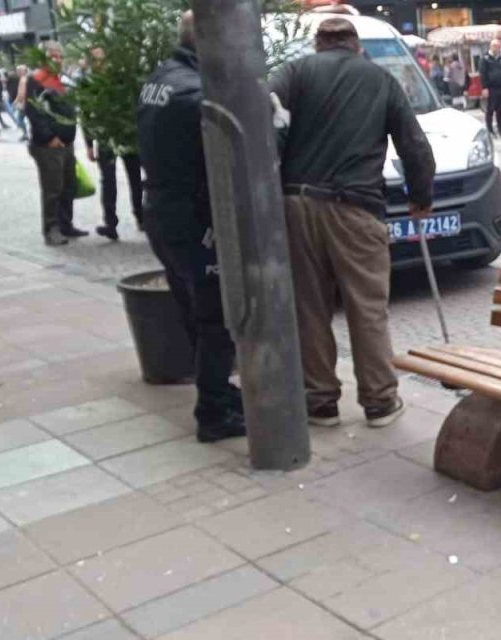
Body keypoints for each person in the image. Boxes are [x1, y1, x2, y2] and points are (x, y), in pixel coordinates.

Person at [270, 17, 435, 429]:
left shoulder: (293, 73)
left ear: (317, 44)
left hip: (297, 205)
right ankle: (379, 402)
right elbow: (414, 144)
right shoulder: (379, 79)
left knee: (309, 308)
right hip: (355, 207)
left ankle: (320, 401)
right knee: (367, 308)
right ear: (356, 46)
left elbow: (267, 126)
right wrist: (420, 197)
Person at [137, 11, 246, 443]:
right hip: (194, 220)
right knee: (215, 318)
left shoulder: (161, 77)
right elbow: (233, 153)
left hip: (162, 211)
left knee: (192, 309)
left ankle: (216, 390)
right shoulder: (200, 93)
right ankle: (213, 413)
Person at [26, 42, 88, 245]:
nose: (58, 60)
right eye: (54, 56)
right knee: (53, 188)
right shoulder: (37, 80)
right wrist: (49, 137)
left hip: (65, 144)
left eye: (61, 56)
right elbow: (34, 112)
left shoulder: (58, 80)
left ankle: (65, 224)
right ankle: (51, 229)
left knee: (68, 185)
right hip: (48, 146)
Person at [83, 49, 144, 240]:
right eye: (96, 60)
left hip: (126, 134)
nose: (100, 63)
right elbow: (85, 115)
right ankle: (110, 223)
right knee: (108, 180)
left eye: (102, 59)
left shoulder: (120, 78)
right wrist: (89, 144)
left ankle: (141, 216)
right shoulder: (88, 83)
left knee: (135, 177)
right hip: (105, 136)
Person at [480, 38, 501, 137]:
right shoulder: (485, 59)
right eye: (494, 46)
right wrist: (484, 87)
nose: (496, 48)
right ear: (490, 47)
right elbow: (483, 73)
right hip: (491, 88)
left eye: (498, 46)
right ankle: (490, 130)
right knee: (490, 109)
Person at [6, 65, 29, 141]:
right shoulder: (27, 79)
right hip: (28, 102)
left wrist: (15, 102)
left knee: (20, 119)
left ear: (23, 71)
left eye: (18, 71)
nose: (17, 72)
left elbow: (21, 93)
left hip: (23, 103)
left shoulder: (22, 80)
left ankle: (25, 134)